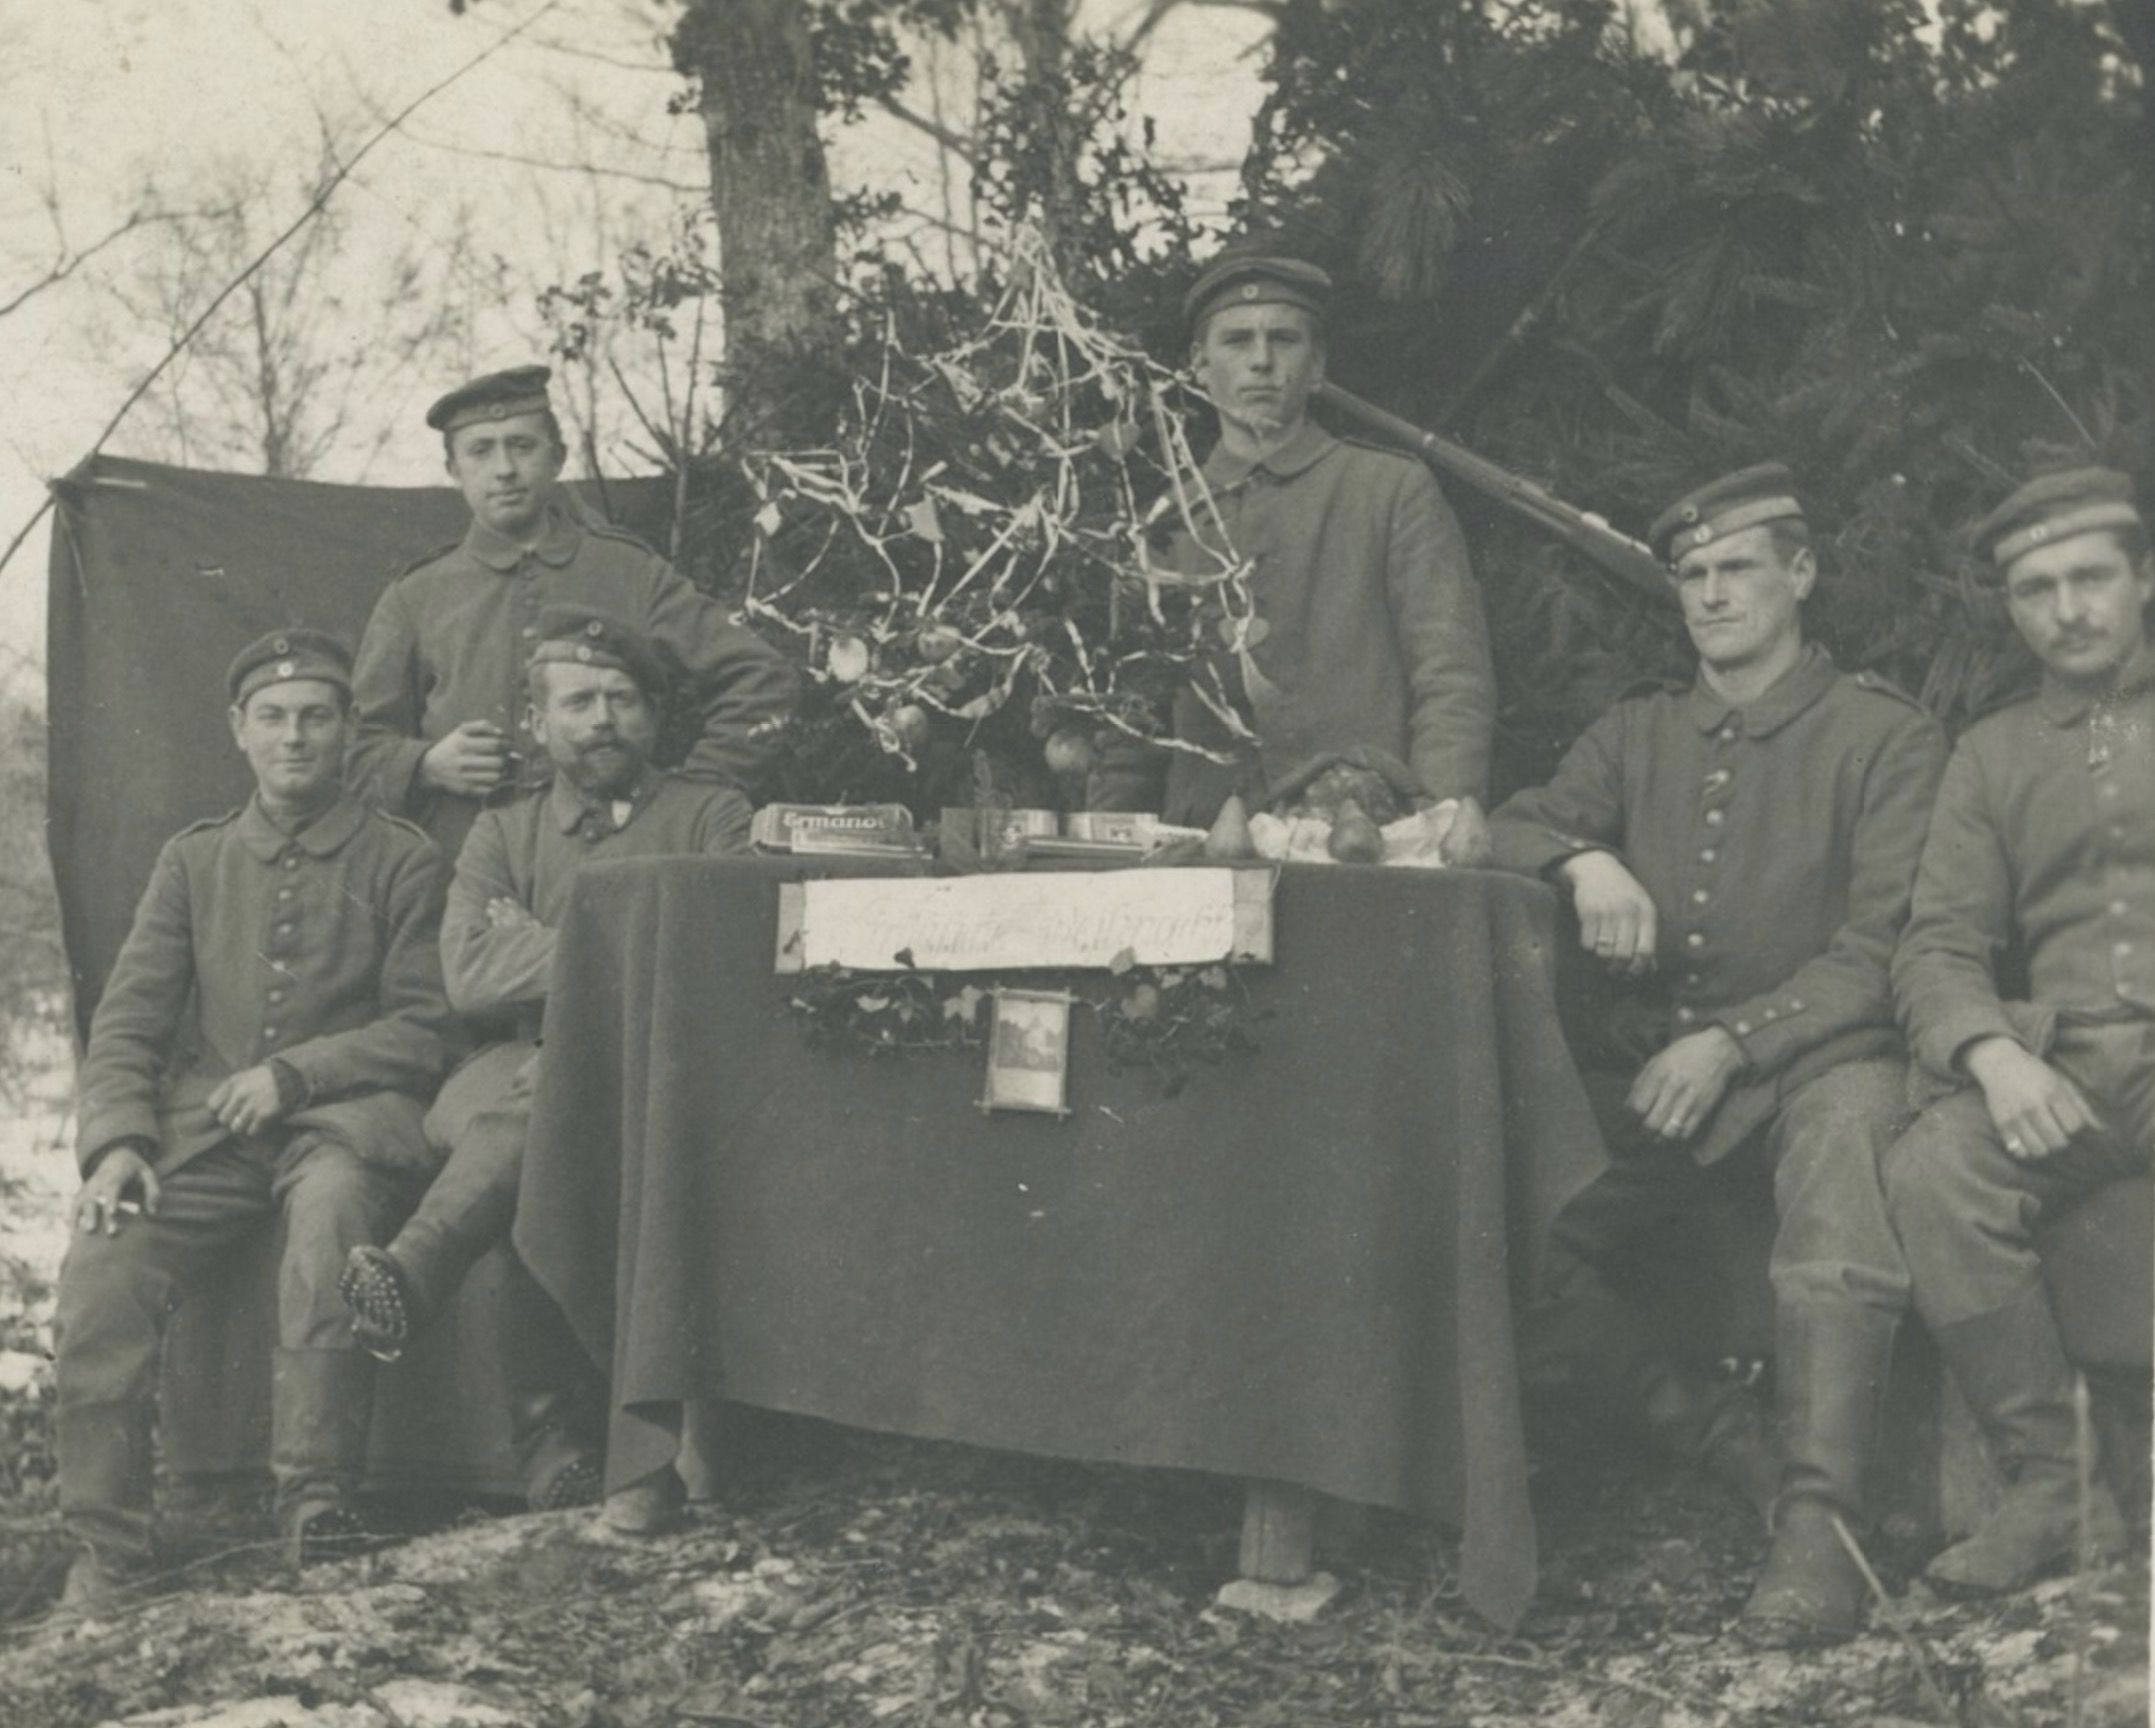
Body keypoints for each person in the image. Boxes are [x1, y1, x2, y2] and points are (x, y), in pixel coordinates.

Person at [1486, 464, 1947, 1644]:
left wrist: (1734, 1044)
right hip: (1662, 1077)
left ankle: (1823, 1533)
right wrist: (1581, 859)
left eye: (1736, 567)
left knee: (1847, 1144)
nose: (1709, 593)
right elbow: (1507, 822)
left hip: (1819, 1058)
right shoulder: (1640, 731)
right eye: (1690, 574)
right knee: (1502, 1201)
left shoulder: (1883, 736)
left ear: (1801, 574)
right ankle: (1724, 1440)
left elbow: (1881, 950)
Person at [55, 630, 454, 1613]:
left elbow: (426, 1029)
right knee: (103, 1260)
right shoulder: (195, 860)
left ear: (348, 729)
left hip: (346, 1125)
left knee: (329, 1220)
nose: (294, 737)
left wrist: (296, 1073)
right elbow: (130, 1021)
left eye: (316, 716)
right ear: (238, 730)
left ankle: (317, 1507)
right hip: (211, 1137)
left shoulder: (403, 860)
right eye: (272, 718)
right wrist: (118, 1144)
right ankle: (106, 1546)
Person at [341, 605, 754, 1533]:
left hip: (667, 1063)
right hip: (513, 1060)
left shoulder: (712, 815)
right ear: (538, 721)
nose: (602, 719)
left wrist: (542, 943)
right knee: (552, 1101)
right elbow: (468, 976)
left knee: (560, 1114)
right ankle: (582, 1450)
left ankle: (434, 1289)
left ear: (655, 715)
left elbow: (719, 961)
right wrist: (630, 945)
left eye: (622, 699)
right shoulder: (502, 831)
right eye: (577, 702)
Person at [1883, 466, 2149, 1594]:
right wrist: (1992, 1057)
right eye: (2035, 589)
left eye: (2091, 578)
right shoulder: (1989, 754)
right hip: (2072, 1063)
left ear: (2143, 579)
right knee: (1934, 1169)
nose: (2067, 610)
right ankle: (2055, 1486)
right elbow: (1936, 942)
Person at [1086, 248, 1495, 854]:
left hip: (1362, 843)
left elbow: (1450, 679)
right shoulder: (1164, 523)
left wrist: (1432, 827)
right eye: (1236, 341)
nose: (1261, 361)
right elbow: (1131, 723)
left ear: (1317, 365)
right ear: (1199, 365)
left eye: (1283, 339)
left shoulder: (1388, 490)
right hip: (1202, 847)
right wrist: (1110, 851)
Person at [347, 364, 794, 861]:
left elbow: (761, 679)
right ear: (454, 470)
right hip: (463, 867)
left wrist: (689, 799)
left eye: (522, 446)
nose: (504, 469)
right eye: (481, 451)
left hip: (614, 862)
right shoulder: (416, 596)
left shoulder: (628, 571)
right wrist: (425, 764)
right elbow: (350, 751)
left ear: (557, 458)